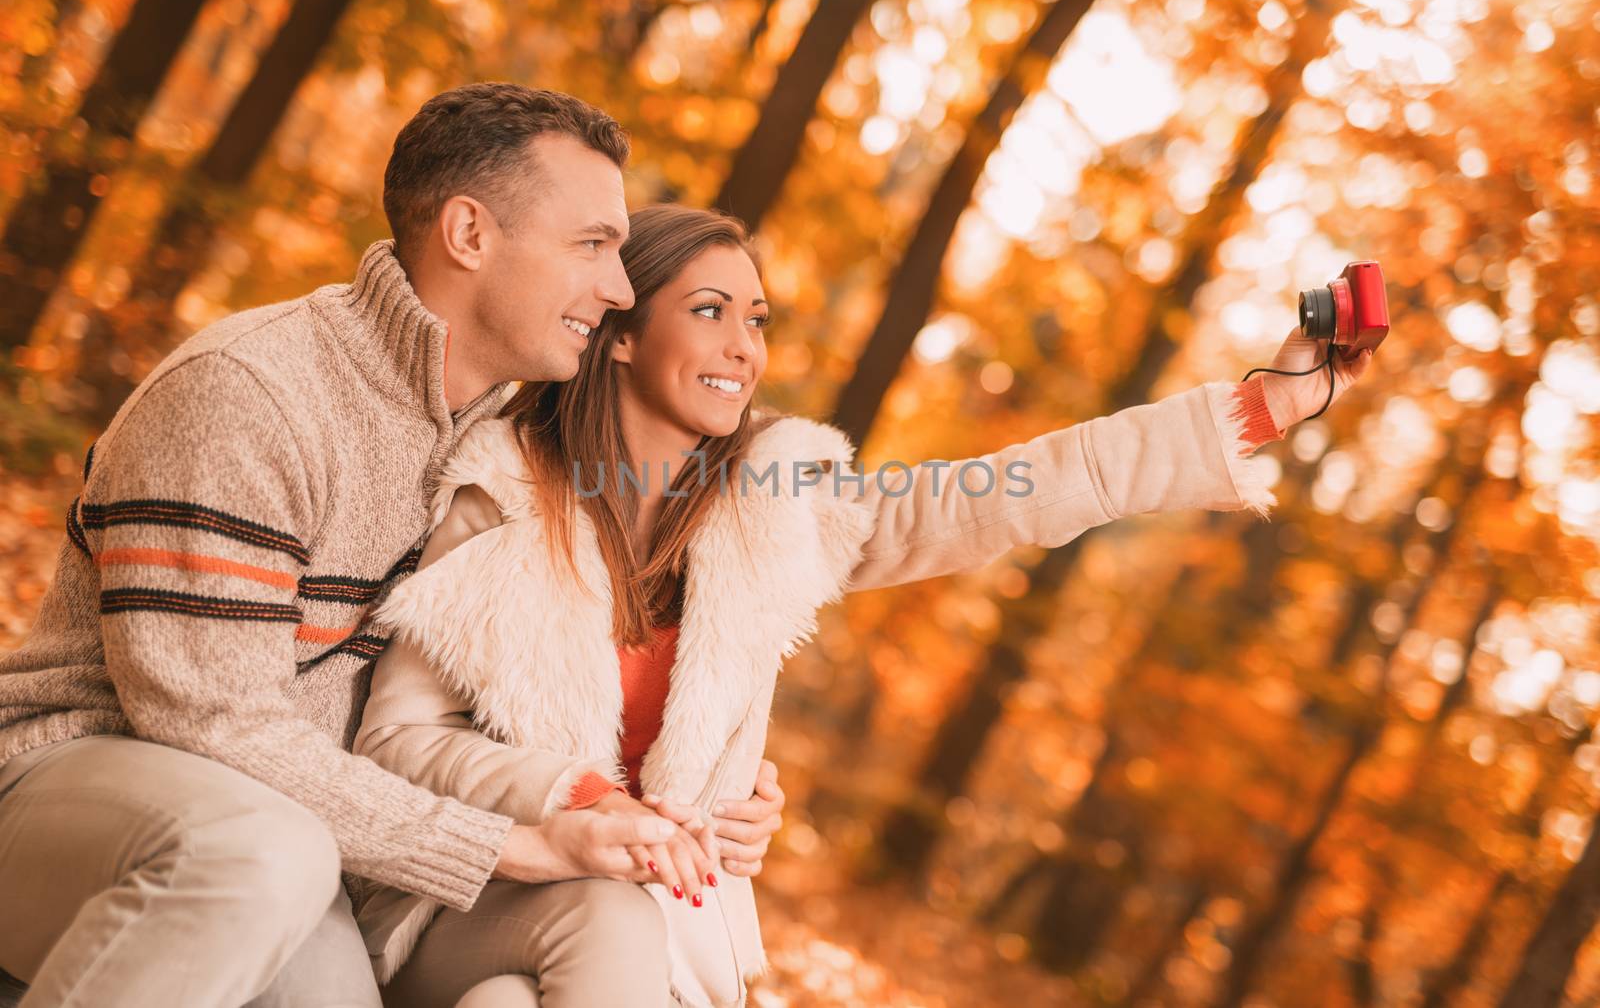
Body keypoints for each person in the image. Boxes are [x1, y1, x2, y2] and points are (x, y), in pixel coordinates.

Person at [352, 203, 1374, 1007]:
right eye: (709, 311)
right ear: (619, 333)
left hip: (659, 934)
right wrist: (580, 798)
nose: (745, 347)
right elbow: (396, 744)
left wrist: (1270, 402)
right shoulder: (497, 494)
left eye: (756, 321)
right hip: (477, 896)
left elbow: (1020, 489)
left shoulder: (778, 506)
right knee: (585, 930)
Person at [0, 84, 782, 1008]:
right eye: (593, 245)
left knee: (595, 914)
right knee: (262, 853)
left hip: (318, 841)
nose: (618, 289)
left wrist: (713, 782)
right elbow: (209, 725)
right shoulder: (253, 395)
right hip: (78, 785)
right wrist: (513, 843)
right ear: (469, 234)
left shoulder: (500, 442)